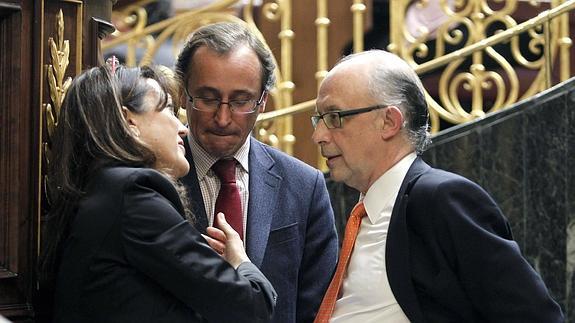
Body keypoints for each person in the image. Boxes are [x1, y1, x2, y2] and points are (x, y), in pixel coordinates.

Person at [311, 50, 564, 322]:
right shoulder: (361, 215)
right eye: (318, 120)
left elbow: (535, 316)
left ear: (389, 122)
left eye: (334, 117)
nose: (318, 136)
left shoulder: (440, 199)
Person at [40, 64, 276, 322]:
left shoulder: (102, 189)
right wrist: (240, 261)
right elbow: (252, 307)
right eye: (167, 109)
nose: (182, 127)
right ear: (129, 121)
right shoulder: (133, 196)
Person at [174, 22, 339, 323]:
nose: (223, 118)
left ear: (262, 101)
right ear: (183, 93)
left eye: (241, 101)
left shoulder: (304, 186)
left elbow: (318, 310)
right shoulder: (154, 176)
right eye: (208, 98)